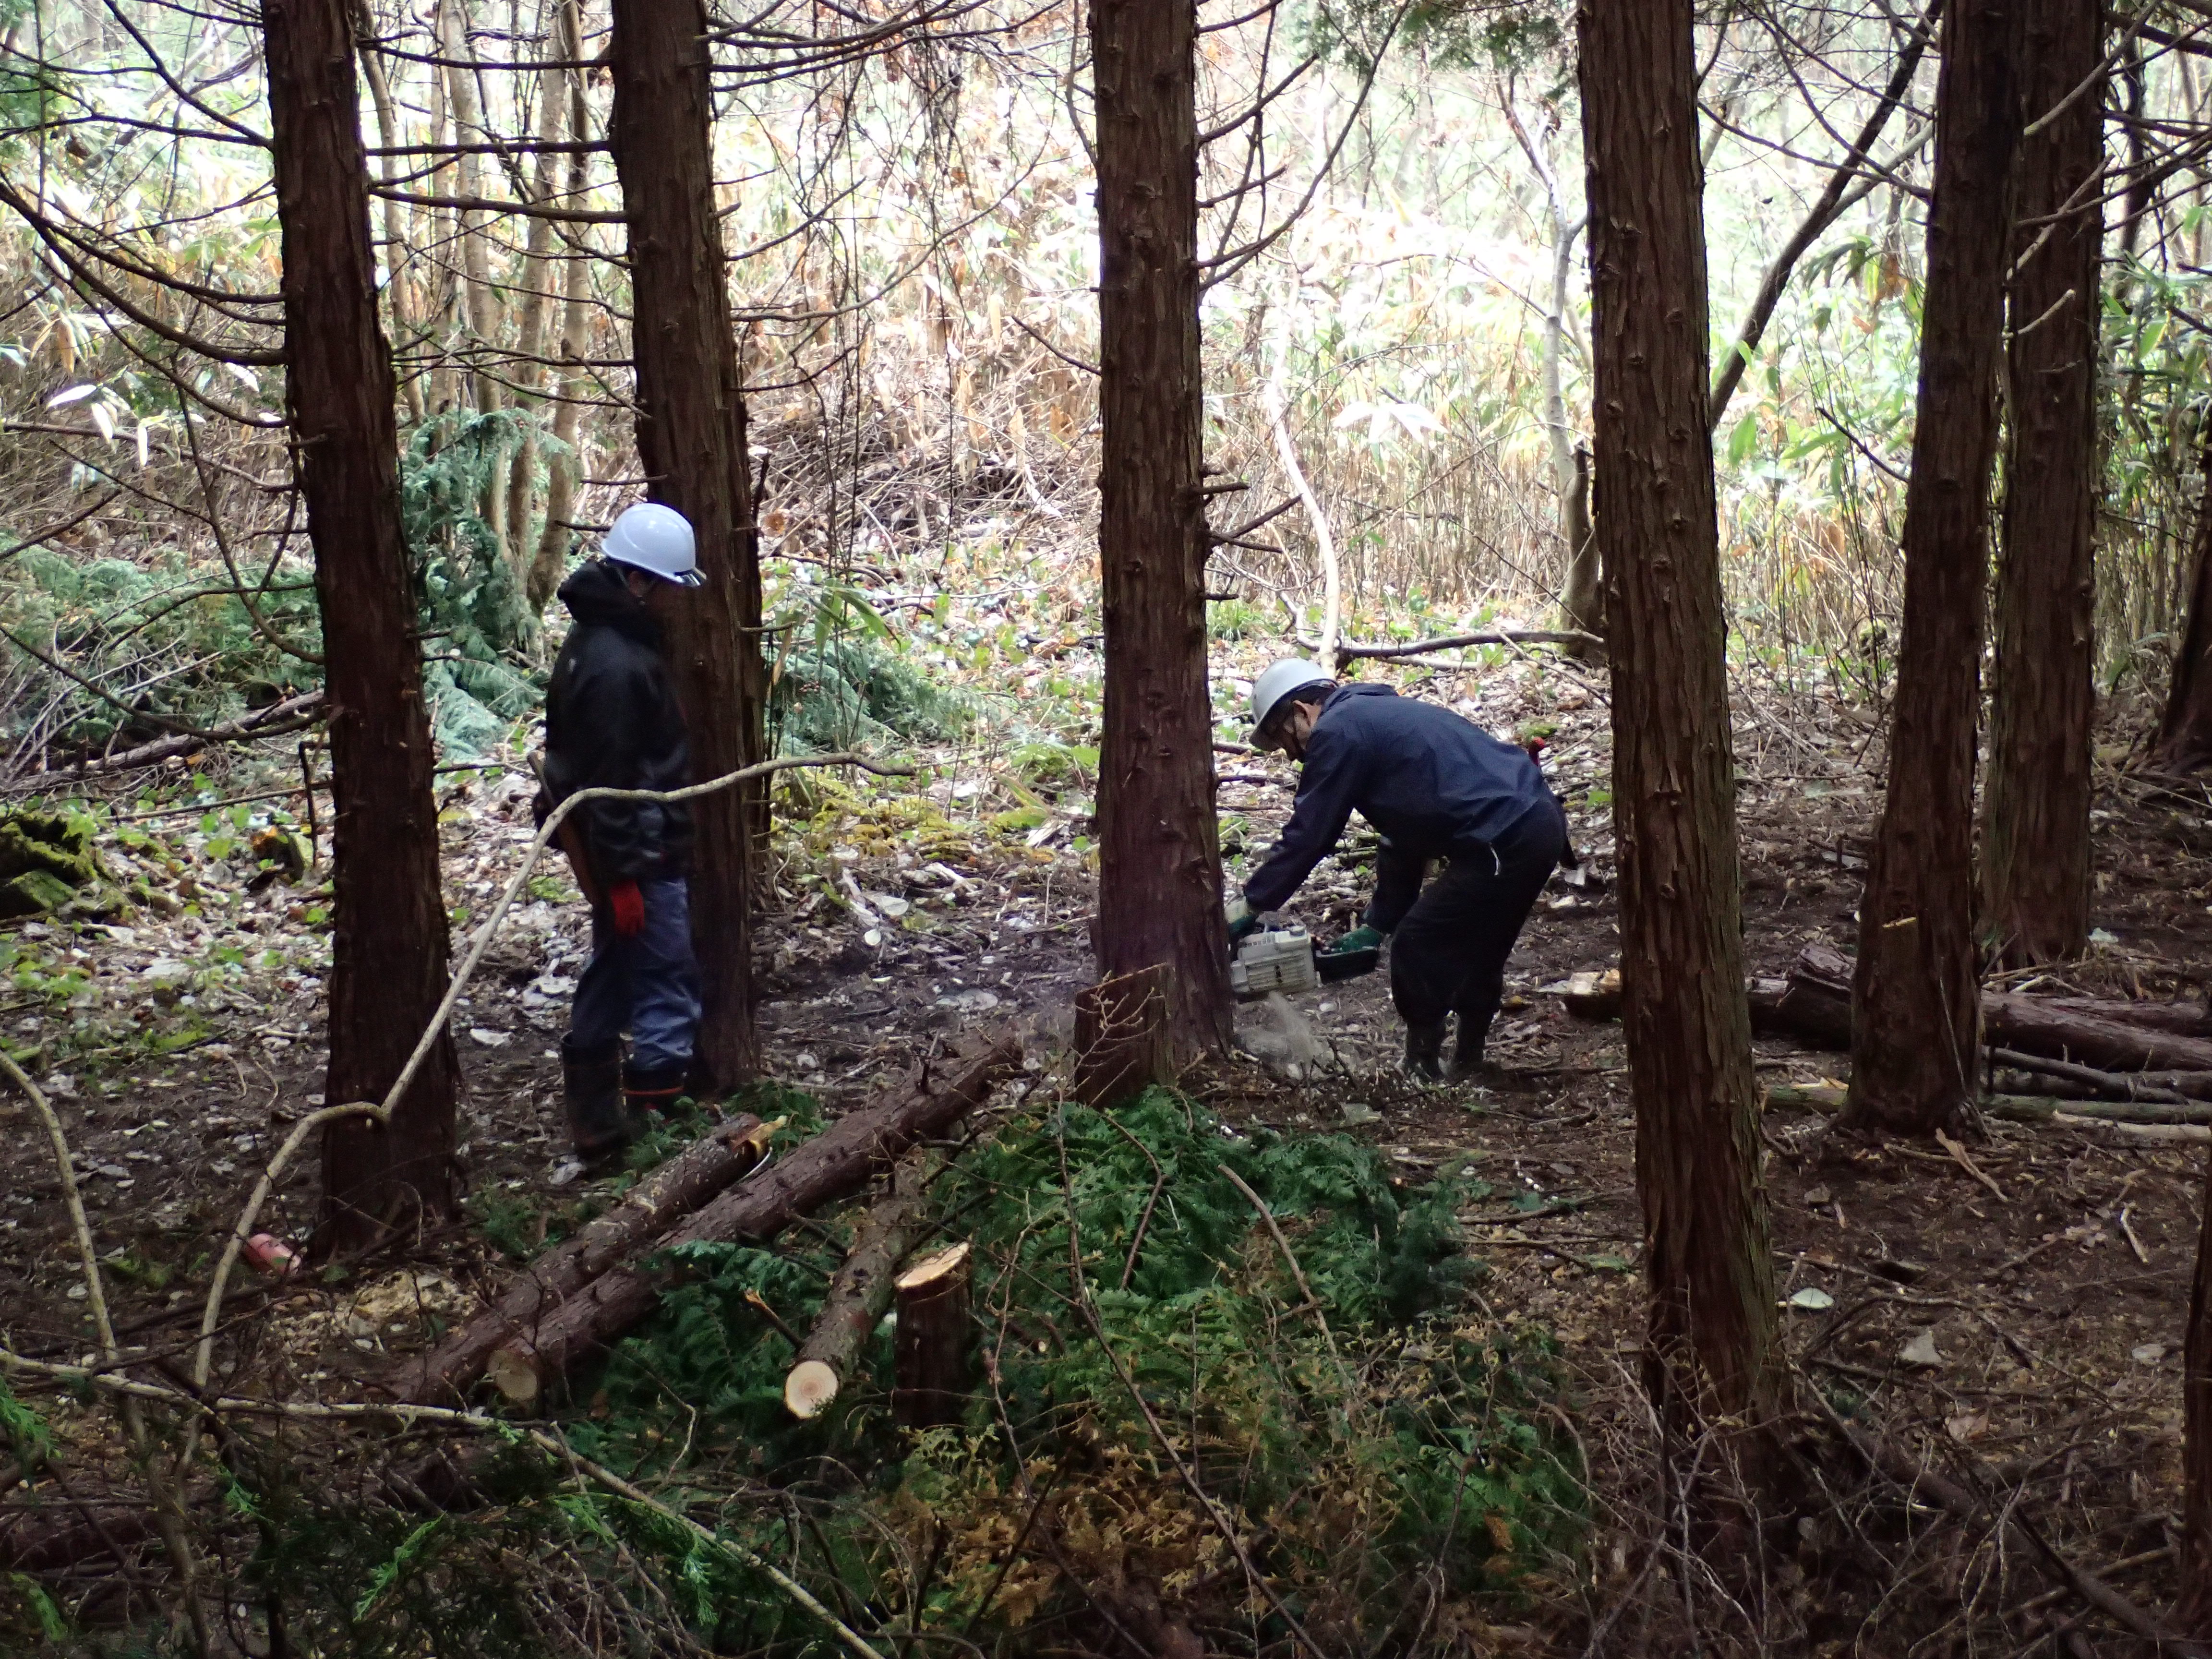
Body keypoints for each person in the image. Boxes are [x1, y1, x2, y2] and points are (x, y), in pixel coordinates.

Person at [1226, 660, 1565, 1083]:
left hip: (1503, 835)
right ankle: (1469, 1063)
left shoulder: (1339, 730)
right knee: (1481, 945)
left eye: (1285, 740)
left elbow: (1310, 835)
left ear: (1302, 710)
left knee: (1419, 943)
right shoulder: (1374, 718)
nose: (1294, 755)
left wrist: (1250, 904)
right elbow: (1405, 835)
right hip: (1535, 824)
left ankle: (1422, 1068)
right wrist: (1376, 924)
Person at [538, 502, 705, 1168]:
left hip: (620, 848)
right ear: (643, 582)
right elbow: (612, 784)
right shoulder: (616, 665)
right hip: (638, 850)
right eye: (670, 588)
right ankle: (660, 1136)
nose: (674, 603)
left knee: (612, 968)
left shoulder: (601, 643)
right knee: (665, 976)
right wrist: (628, 876)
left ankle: (597, 1126)